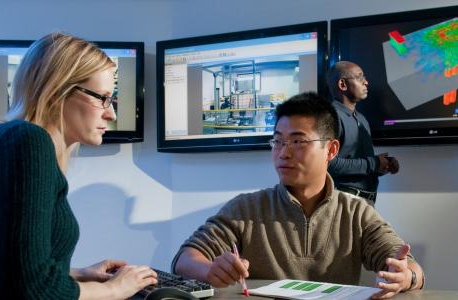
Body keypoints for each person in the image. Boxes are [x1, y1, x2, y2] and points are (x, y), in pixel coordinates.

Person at [0, 33, 157, 299]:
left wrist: (79, 273)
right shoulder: (27, 141)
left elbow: (7, 266)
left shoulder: (14, 140)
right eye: (103, 98)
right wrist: (114, 289)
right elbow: (31, 290)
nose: (111, 113)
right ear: (59, 90)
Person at [172, 92, 424, 299]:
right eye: (278, 142)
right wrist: (209, 270)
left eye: (298, 142)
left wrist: (406, 276)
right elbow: (184, 259)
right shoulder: (246, 209)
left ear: (331, 149)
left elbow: (410, 266)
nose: (283, 153)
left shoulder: (356, 212)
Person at [327, 61, 399, 204]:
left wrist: (382, 166)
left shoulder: (362, 119)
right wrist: (373, 163)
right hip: (343, 203)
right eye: (359, 77)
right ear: (342, 84)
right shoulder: (330, 116)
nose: (366, 82)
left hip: (366, 203)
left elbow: (361, 167)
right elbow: (328, 164)